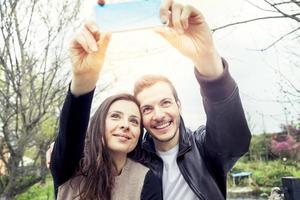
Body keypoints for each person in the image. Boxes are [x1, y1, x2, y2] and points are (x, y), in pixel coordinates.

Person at [50, 0, 251, 199]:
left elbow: (234, 138)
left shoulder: (204, 148)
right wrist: (59, 148)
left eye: (165, 103)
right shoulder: (134, 155)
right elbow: (87, 145)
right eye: (146, 109)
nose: (158, 115)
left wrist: (206, 57)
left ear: (178, 105)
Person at [50, 22, 162, 200]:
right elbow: (71, 132)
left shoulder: (147, 179)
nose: (125, 125)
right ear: (99, 124)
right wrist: (84, 79)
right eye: (116, 116)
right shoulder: (71, 165)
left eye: (134, 121)